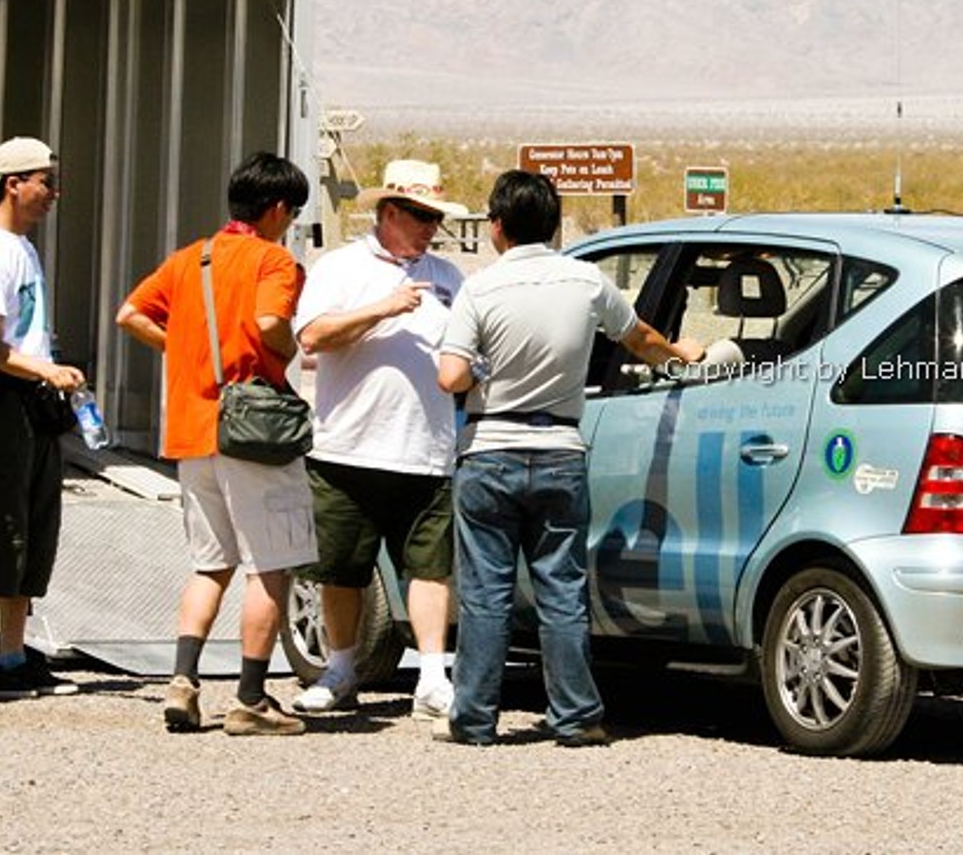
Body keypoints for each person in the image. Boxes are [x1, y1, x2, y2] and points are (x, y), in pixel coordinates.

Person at [435, 170, 703, 746]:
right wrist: (684, 360)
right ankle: (576, 715)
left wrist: (483, 369)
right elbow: (641, 339)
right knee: (562, 587)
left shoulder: (480, 289)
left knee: (486, 593)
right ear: (555, 226)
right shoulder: (586, 281)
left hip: (490, 451)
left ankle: (474, 718)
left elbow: (450, 375)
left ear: (498, 226)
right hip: (560, 450)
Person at [116, 153, 317, 736]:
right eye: (294, 211)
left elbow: (129, 313)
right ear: (277, 208)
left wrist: (182, 350)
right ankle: (251, 698)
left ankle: (183, 681)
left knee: (210, 564)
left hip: (191, 428)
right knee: (269, 567)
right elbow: (270, 322)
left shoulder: (190, 258)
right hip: (253, 431)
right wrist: (281, 355)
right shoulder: (273, 260)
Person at [290, 158, 467, 720]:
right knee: (341, 568)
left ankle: (434, 676)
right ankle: (341, 667)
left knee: (430, 567)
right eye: (419, 214)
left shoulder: (450, 277)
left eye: (434, 216)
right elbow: (313, 336)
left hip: (425, 448)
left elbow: (469, 352)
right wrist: (383, 308)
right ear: (388, 212)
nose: (429, 226)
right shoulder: (340, 268)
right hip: (348, 446)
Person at [0, 137, 85, 700]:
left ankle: (13, 652)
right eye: (46, 182)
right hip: (0, 397)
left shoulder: (23, 248)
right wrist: (48, 372)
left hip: (32, 398)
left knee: (33, 526)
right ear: (14, 184)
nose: (54, 193)